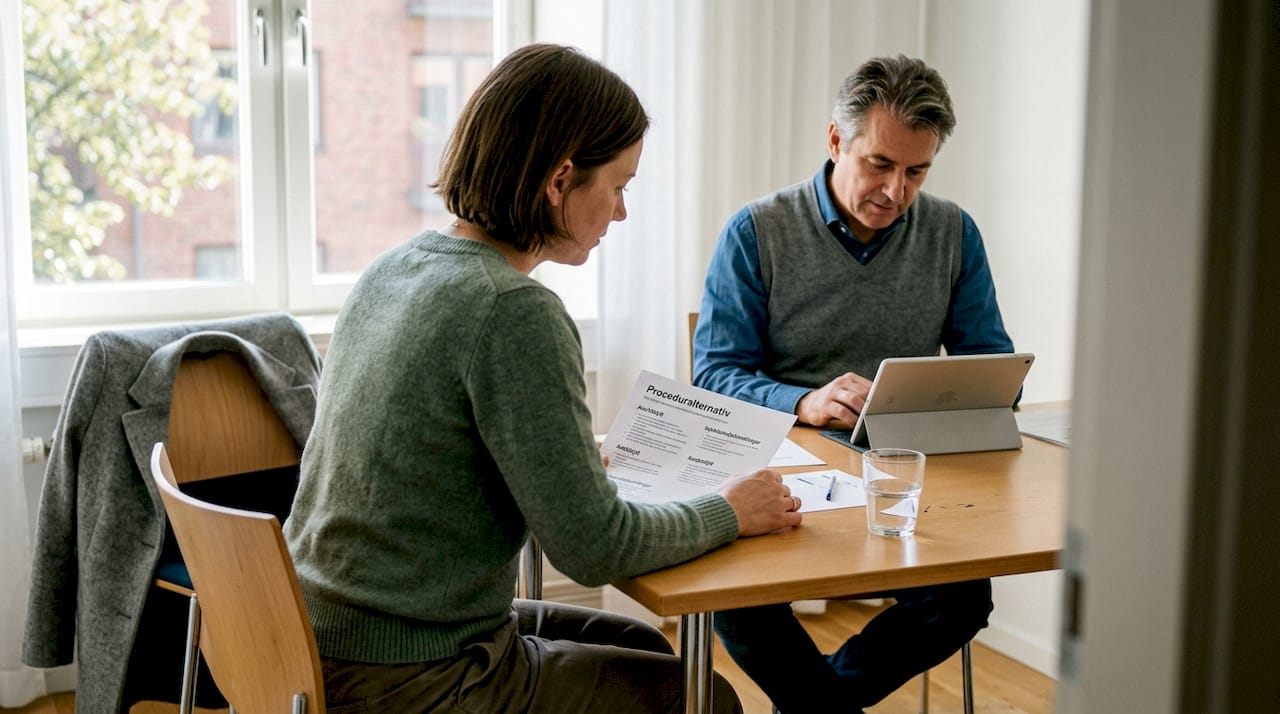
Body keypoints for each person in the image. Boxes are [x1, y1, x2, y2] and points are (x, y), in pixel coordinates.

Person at [282, 43, 803, 714]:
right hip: (411, 671)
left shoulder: (395, 268)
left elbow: (428, 461)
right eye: (618, 186)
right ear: (560, 181)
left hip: (322, 636)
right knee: (706, 700)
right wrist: (732, 511)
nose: (620, 213)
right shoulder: (512, 309)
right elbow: (594, 547)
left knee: (646, 651)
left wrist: (559, 463)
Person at [692, 54, 1013, 713]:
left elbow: (989, 365)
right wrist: (803, 402)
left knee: (963, 598)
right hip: (781, 478)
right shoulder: (756, 232)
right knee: (738, 606)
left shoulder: (954, 233)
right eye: (880, 164)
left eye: (916, 171)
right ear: (837, 141)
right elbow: (715, 377)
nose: (896, 192)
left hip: (898, 479)